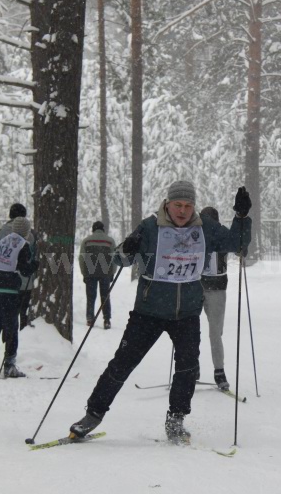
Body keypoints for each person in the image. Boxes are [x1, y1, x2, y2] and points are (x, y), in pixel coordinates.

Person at [69, 181, 251, 444]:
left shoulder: (206, 229)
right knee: (122, 363)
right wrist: (126, 248)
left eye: (188, 205)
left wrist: (242, 217)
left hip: (186, 313)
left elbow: (238, 243)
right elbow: (120, 259)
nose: (183, 211)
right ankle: (92, 415)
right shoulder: (150, 227)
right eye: (178, 205)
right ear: (168, 203)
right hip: (149, 311)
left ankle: (176, 420)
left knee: (188, 367)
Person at [0, 215, 38, 378]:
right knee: (11, 325)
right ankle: (10, 365)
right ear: (26, 231)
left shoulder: (3, 241)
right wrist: (35, 265)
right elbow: (25, 270)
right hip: (8, 289)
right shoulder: (23, 245)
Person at [199, 206, 230, 391]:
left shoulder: (222, 235)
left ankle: (219, 371)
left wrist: (242, 248)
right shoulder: (196, 235)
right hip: (196, 286)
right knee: (190, 330)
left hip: (217, 287)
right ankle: (191, 367)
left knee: (215, 332)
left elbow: (237, 244)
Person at [78, 220, 117, 329]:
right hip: (105, 273)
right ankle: (107, 320)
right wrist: (112, 272)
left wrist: (84, 272)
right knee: (105, 296)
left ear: (93, 229)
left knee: (91, 296)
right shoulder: (110, 241)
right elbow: (114, 258)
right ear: (103, 229)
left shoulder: (86, 241)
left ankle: (90, 319)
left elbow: (81, 258)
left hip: (90, 272)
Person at [6, 203, 39, 330]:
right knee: (24, 313)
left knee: (9, 316)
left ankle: (9, 337)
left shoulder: (1, 233)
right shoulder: (31, 234)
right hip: (26, 283)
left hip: (5, 283)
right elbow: (33, 257)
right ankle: (23, 333)